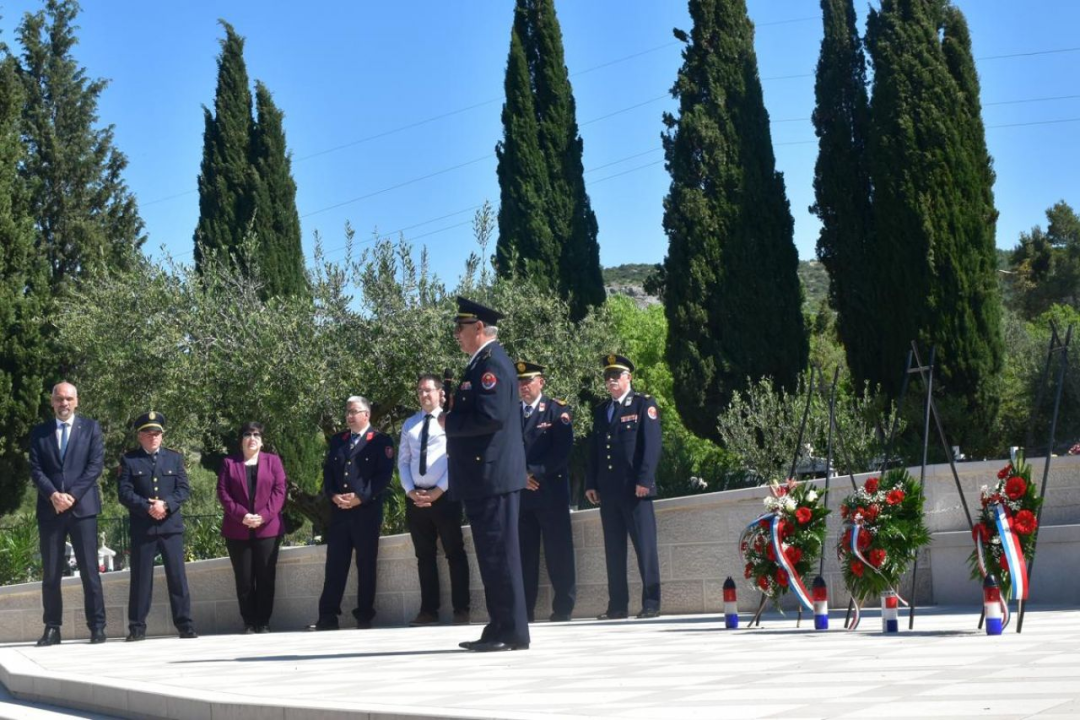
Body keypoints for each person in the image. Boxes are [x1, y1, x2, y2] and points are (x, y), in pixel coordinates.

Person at [442, 297, 530, 652]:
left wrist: (451, 422)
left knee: (500, 555)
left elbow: (491, 416)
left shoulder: (491, 365)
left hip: (491, 477)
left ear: (479, 328)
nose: (456, 335)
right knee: (492, 556)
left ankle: (512, 631)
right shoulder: (480, 364)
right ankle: (499, 625)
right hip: (483, 478)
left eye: (461, 328)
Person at [28, 382, 107, 646]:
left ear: (77, 401)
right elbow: (36, 469)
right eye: (59, 399)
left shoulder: (91, 429)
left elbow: (95, 466)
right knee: (51, 573)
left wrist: (71, 495)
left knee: (89, 571)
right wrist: (53, 495)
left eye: (69, 399)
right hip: (50, 511)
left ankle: (97, 626)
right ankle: (52, 628)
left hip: (82, 508)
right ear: (52, 402)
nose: (64, 403)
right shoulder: (40, 433)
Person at [586, 354, 662, 620]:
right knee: (614, 551)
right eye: (608, 377)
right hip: (609, 492)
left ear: (629, 377)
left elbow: (651, 446)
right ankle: (617, 605)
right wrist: (591, 483)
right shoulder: (601, 410)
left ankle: (651, 603)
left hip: (635, 490)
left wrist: (644, 480)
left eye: (616, 376)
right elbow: (595, 451)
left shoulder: (643, 404)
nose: (611, 381)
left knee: (645, 548)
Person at [309, 396, 394, 630]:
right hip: (340, 512)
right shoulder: (339, 440)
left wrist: (360, 497)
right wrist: (333, 495)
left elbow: (382, 477)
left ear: (366, 414)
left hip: (366, 511)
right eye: (347, 411)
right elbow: (328, 473)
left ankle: (364, 615)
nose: (349, 416)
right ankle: (327, 615)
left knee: (366, 564)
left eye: (354, 411)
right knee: (335, 564)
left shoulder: (380, 440)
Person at [117, 411, 197, 640]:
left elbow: (183, 489)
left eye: (157, 433)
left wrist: (166, 505)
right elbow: (124, 493)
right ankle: (137, 628)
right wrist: (146, 506)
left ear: (162, 436)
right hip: (144, 527)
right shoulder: (129, 460)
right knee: (141, 580)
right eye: (148, 433)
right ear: (139, 436)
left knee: (178, 577)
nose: (153, 437)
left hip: (170, 526)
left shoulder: (174, 458)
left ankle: (185, 625)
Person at [398, 373, 471, 626]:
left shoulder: (449, 421)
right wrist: (410, 491)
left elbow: (456, 458)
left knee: (454, 552)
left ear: (440, 393)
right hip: (416, 497)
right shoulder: (410, 424)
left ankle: (461, 609)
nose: (423, 395)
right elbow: (404, 461)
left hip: (445, 496)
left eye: (428, 390)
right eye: (419, 391)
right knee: (424, 556)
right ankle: (429, 610)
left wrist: (439, 490)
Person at [516, 361, 576, 623]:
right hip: (521, 494)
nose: (524, 386)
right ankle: (525, 611)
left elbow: (561, 452)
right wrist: (520, 476)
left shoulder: (556, 410)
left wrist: (533, 473)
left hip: (549, 492)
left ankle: (563, 609)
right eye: (520, 382)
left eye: (528, 381)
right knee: (524, 557)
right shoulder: (510, 414)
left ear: (541, 381)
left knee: (558, 553)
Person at [217, 422, 287, 633]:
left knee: (266, 577)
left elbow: (280, 490)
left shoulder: (273, 461)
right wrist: (242, 515)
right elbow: (223, 492)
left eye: (256, 434)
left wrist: (263, 516)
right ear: (241, 441)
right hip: (237, 529)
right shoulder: (229, 463)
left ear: (262, 440)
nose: (252, 438)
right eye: (247, 434)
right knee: (244, 579)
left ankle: (263, 621)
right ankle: (249, 621)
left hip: (268, 529)